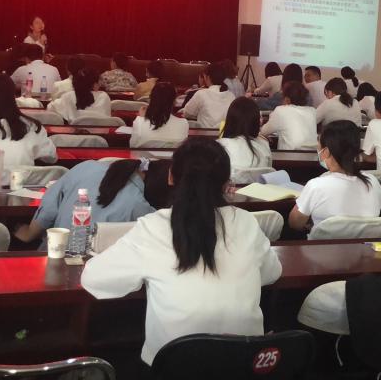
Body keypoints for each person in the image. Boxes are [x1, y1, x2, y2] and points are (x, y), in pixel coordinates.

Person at [81, 138, 282, 366]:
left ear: (170, 177)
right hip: (243, 365)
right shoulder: (246, 222)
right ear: (226, 183)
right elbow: (272, 273)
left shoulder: (153, 226)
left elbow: (93, 279)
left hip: (174, 368)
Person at [13, 158, 163, 248]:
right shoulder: (145, 211)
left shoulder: (87, 167)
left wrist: (30, 233)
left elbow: (50, 205)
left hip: (54, 255)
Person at [288, 120, 381, 230]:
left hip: (322, 242)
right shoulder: (372, 182)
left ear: (326, 152)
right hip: (365, 241)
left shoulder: (316, 186)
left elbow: (295, 224)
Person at [219, 97, 272, 176]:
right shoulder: (264, 145)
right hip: (258, 184)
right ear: (256, 122)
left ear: (230, 121)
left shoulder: (221, 146)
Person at [260, 81, 317, 150]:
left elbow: (263, 132)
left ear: (287, 99)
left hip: (289, 154)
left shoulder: (281, 110)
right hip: (312, 154)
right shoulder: (312, 111)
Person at [131, 82, 189, 148]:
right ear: (174, 101)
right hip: (173, 155)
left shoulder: (139, 122)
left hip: (143, 155)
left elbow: (132, 146)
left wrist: (141, 119)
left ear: (150, 99)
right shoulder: (184, 123)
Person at [183, 62, 235, 129]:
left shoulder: (201, 94)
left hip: (204, 133)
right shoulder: (231, 96)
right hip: (223, 133)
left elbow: (187, 113)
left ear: (208, 77)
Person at [46, 70, 111, 123]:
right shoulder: (104, 96)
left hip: (73, 134)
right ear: (95, 84)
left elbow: (50, 108)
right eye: (99, 81)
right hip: (100, 134)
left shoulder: (69, 96)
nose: (100, 84)